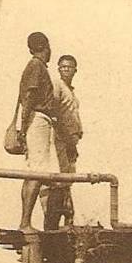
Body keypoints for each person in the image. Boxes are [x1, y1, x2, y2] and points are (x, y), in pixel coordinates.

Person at [17, 31, 60, 231]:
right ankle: (25, 221)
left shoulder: (36, 66)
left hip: (35, 120)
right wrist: (23, 126)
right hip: (38, 119)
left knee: (33, 171)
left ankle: (25, 220)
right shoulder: (36, 66)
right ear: (45, 47)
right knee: (38, 172)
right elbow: (29, 96)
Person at [41, 54, 83, 229]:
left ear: (75, 70)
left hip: (70, 138)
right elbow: (54, 111)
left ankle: (66, 221)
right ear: (59, 69)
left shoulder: (70, 90)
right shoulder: (57, 85)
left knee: (67, 181)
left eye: (69, 67)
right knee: (59, 181)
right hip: (61, 138)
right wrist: (67, 140)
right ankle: (52, 224)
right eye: (63, 67)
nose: (66, 70)